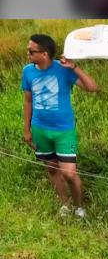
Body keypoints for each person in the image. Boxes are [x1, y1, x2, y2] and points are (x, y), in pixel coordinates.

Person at [22, 33, 98, 218]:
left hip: (63, 131)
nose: (28, 54)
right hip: (40, 129)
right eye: (28, 50)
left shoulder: (63, 70)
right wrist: (27, 130)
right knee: (51, 168)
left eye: (31, 51)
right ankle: (65, 204)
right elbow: (28, 100)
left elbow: (92, 87)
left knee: (69, 174)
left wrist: (75, 68)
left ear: (45, 53)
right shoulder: (28, 71)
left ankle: (79, 207)